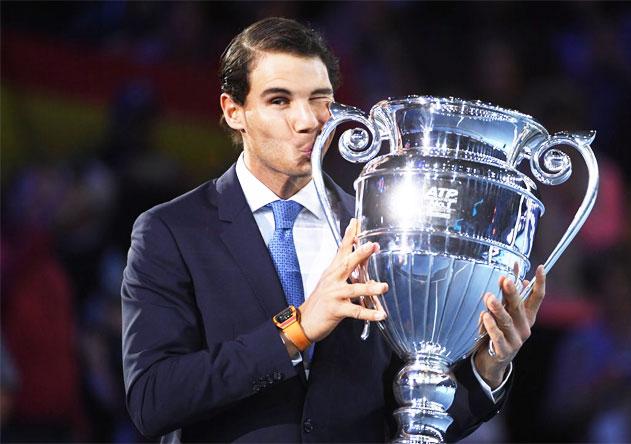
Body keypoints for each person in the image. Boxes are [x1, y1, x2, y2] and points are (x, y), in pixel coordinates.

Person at [121, 17, 546, 442]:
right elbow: (153, 399)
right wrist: (297, 328)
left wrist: (489, 365)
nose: (307, 121)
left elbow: (415, 411)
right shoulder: (173, 231)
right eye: (279, 101)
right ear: (234, 111)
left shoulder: (380, 231)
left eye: (320, 100)